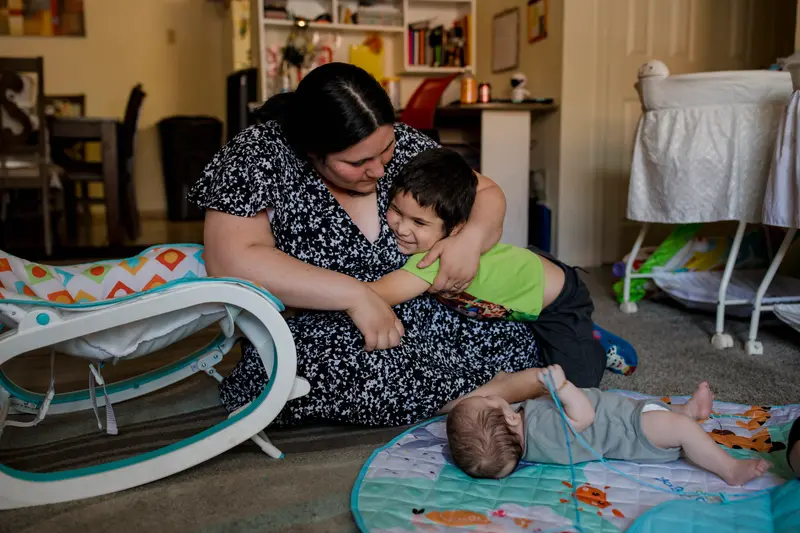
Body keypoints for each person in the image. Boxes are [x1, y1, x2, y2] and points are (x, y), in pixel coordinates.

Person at [187, 62, 547, 426]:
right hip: (322, 321)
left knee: (519, 337)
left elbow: (485, 191)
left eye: (386, 150)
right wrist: (355, 295)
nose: (378, 170)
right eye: (358, 162)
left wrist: (469, 240)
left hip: (421, 305)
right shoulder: (259, 153)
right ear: (312, 151)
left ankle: (469, 390)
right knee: (308, 370)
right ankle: (484, 393)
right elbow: (230, 259)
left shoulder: (402, 143)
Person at [369, 147, 632, 386]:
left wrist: (337, 289)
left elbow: (377, 294)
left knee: (577, 386)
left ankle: (596, 344)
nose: (401, 228)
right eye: (396, 211)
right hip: (526, 276)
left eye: (419, 223)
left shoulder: (433, 260)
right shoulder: (433, 241)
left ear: (457, 228)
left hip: (558, 300)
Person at [446, 365, 770, 486]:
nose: (497, 397)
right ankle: (729, 469)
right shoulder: (541, 427)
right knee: (680, 431)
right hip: (633, 431)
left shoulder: (532, 441)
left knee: (668, 415)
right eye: (492, 401)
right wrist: (561, 388)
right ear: (510, 418)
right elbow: (584, 416)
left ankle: (689, 411)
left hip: (627, 417)